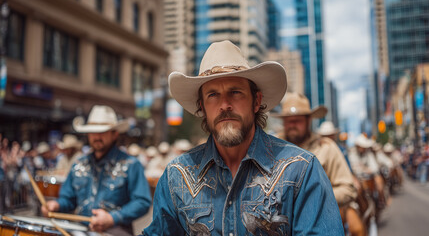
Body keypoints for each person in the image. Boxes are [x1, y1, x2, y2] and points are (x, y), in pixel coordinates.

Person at [142, 40, 343, 235]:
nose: (224, 105)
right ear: (202, 107)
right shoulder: (176, 176)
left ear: (256, 102)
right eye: (213, 95)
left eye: (236, 92)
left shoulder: (301, 170)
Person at [42, 105, 152, 235]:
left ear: (114, 134)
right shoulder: (78, 163)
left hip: (116, 230)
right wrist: (57, 205)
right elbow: (68, 199)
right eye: (93, 131)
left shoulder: (132, 164)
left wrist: (113, 218)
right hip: (81, 229)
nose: (97, 136)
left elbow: (142, 201)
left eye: (102, 132)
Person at [272, 92, 361, 235]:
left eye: (298, 120)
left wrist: (312, 198)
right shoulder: (272, 147)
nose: (293, 125)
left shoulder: (326, 147)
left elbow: (348, 189)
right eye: (289, 120)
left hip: (320, 220)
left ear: (308, 121)